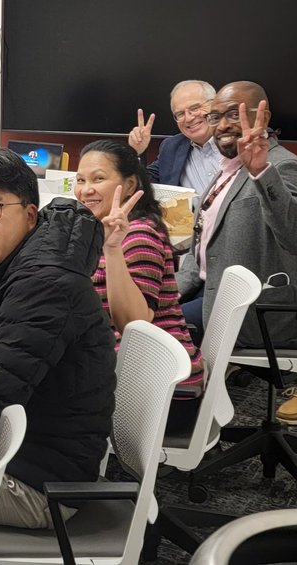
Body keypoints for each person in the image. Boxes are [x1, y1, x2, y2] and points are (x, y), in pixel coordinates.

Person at [0, 148, 117, 529]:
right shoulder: (22, 265)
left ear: (28, 216)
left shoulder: (45, 283)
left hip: (41, 486)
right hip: (25, 453)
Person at [177, 82, 297, 424]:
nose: (224, 124)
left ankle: (187, 428)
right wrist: (163, 292)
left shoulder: (281, 165)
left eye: (234, 114)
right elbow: (200, 250)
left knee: (152, 335)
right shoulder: (226, 169)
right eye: (216, 116)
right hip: (209, 288)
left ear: (264, 116)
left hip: (251, 308)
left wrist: (261, 172)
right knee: (142, 312)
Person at [75, 139, 204, 415]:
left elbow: (135, 322)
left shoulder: (138, 235)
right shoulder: (101, 229)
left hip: (160, 385)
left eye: (98, 179)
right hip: (137, 367)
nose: (86, 190)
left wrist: (112, 251)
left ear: (131, 185)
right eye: (80, 179)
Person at [126, 79, 220, 194]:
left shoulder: (238, 141)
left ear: (215, 105)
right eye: (180, 114)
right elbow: (144, 183)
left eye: (195, 108)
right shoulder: (172, 147)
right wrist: (136, 152)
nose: (189, 118)